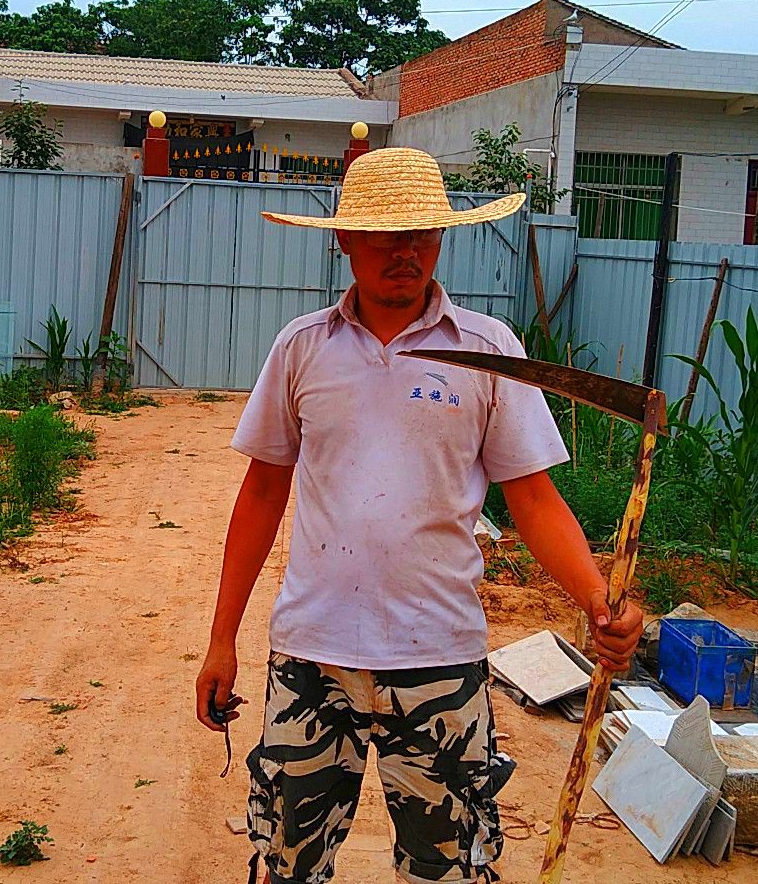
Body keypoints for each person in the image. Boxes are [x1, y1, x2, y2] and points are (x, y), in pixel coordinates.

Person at [195, 147, 645, 884]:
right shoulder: (303, 349)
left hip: (441, 660)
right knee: (288, 866)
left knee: (449, 871)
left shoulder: (488, 351)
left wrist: (598, 600)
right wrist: (221, 640)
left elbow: (531, 499)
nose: (404, 252)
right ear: (344, 240)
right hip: (314, 658)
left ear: (442, 240)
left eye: (422, 233)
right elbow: (262, 493)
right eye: (383, 234)